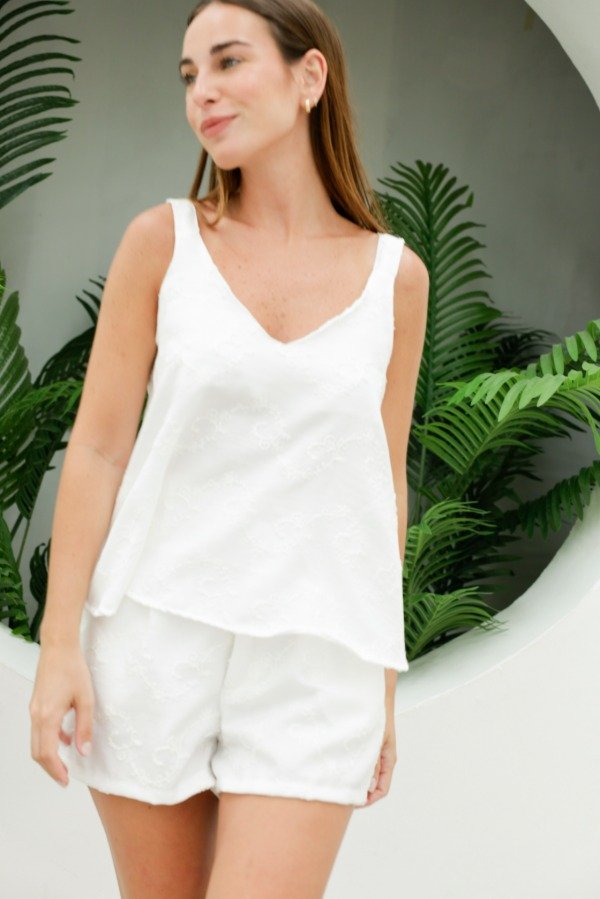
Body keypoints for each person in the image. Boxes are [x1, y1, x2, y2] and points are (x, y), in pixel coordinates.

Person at [29, 0, 429, 896]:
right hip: (153, 636)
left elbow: (381, 484)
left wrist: (381, 679)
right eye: (189, 75)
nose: (202, 92)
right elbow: (98, 450)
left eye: (227, 62)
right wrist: (60, 645)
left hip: (316, 661)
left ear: (309, 76)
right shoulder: (161, 243)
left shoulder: (397, 278)